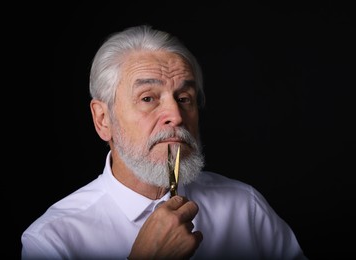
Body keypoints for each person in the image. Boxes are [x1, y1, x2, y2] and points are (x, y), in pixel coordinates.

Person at [21, 24, 308, 259]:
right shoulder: (52, 241)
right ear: (103, 119)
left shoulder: (245, 207)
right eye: (148, 98)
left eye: (185, 99)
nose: (176, 115)